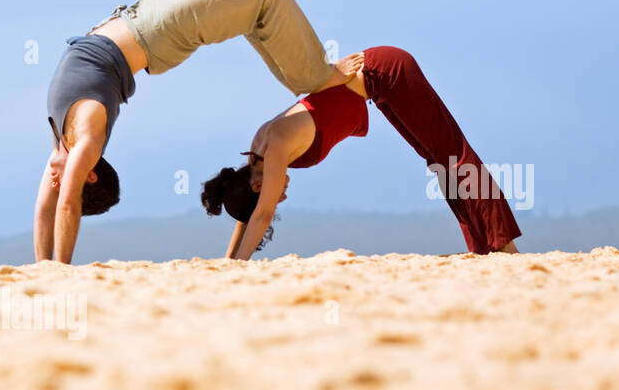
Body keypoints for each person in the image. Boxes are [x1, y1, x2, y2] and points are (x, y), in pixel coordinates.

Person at [34, 0, 362, 263]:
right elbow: (50, 209)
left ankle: (318, 76)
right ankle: (312, 77)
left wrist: (56, 270)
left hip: (153, 28)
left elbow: (62, 207)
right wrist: (43, 268)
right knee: (263, 3)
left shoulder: (84, 141)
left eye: (66, 184)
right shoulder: (69, 142)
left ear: (86, 176)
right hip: (151, 28)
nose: (53, 182)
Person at [203, 46, 521, 259]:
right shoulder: (256, 155)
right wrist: (228, 264)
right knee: (439, 160)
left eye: (274, 194)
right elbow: (248, 216)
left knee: (452, 153)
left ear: (259, 185)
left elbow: (261, 214)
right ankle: (485, 246)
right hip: (378, 85)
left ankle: (503, 245)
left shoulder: (276, 146)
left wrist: (239, 269)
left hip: (385, 71)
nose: (281, 195)